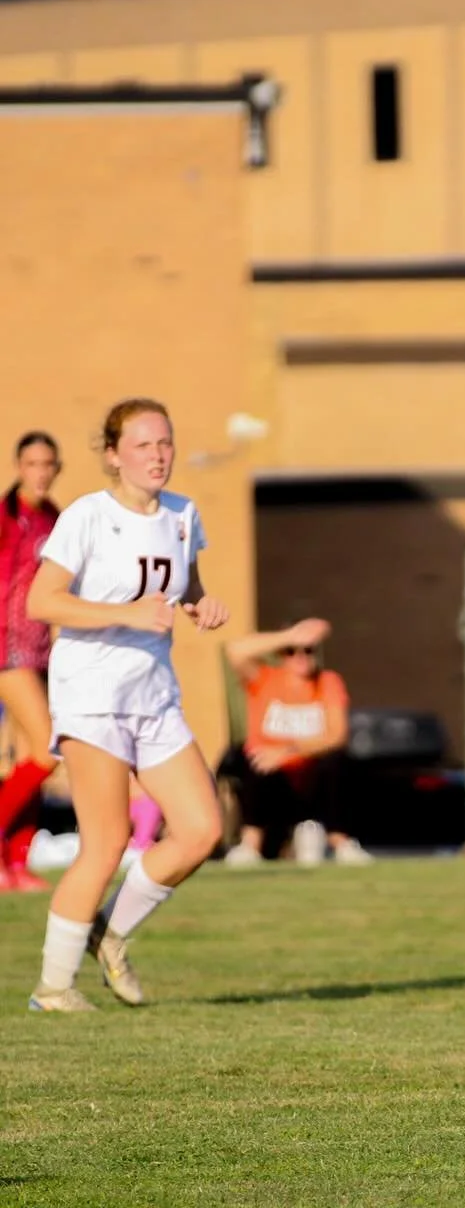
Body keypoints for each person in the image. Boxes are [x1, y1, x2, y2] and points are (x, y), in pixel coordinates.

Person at [24, 398, 228, 1011]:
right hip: (91, 693)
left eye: (164, 442)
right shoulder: (88, 516)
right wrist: (124, 613)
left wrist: (202, 603)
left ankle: (108, 933)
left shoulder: (183, 514)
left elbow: (182, 584)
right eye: (142, 445)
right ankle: (52, 989)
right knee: (107, 842)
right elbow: (43, 602)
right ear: (113, 455)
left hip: (154, 693)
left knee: (201, 830)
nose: (158, 455)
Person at [220, 617, 372, 866]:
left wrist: (287, 750)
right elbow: (234, 650)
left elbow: (336, 735)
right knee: (252, 757)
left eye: (308, 650)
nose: (300, 656)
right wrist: (291, 636)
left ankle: (341, 843)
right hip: (271, 780)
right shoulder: (265, 678)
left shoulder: (327, 682)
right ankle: (250, 845)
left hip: (311, 778)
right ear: (281, 655)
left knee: (337, 761)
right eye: (291, 652)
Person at [0, 432, 63, 891]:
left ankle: (16, 864)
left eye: (47, 464)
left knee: (27, 757)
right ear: (19, 467)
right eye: (32, 464)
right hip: (6, 648)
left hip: (40, 650)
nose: (40, 473)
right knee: (47, 749)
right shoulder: (6, 517)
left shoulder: (55, 519)